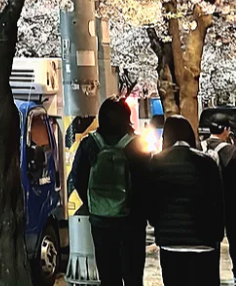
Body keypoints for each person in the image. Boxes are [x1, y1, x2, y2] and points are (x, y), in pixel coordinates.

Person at [69, 96, 149, 286]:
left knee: (108, 276)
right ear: (127, 117)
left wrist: (94, 204)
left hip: (101, 221)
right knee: (132, 276)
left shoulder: (89, 144)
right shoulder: (137, 145)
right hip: (131, 223)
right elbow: (147, 181)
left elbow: (77, 177)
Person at [148, 115, 224, 286]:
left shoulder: (156, 162)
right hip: (204, 243)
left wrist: (160, 226)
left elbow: (151, 204)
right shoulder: (208, 162)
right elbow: (218, 203)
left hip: (171, 244)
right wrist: (217, 236)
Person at [206, 113, 236, 285]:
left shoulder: (199, 148)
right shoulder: (231, 153)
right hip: (230, 205)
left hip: (208, 207)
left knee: (211, 246)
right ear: (226, 130)